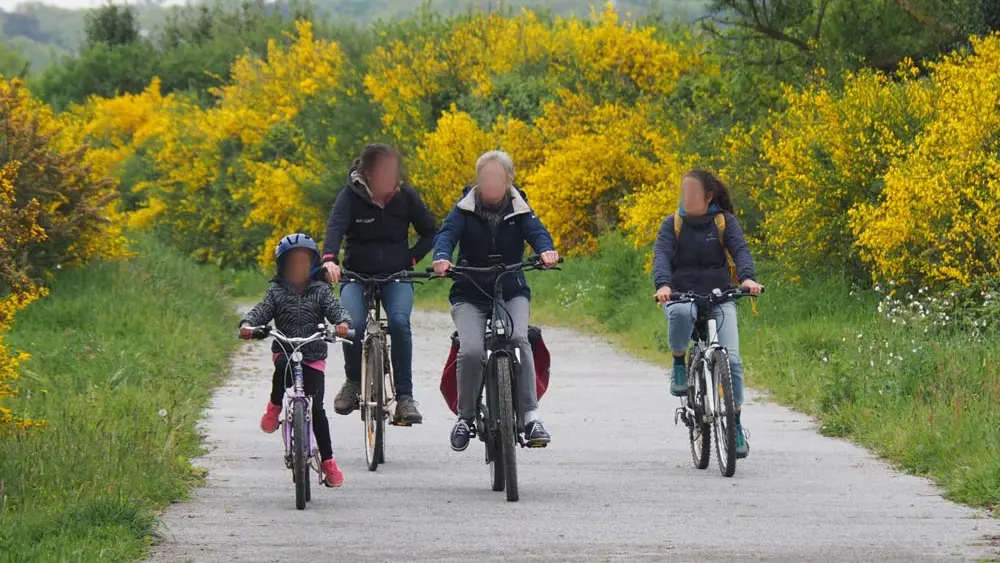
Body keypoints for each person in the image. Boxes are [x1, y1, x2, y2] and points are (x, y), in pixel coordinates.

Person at [432, 150, 559, 452]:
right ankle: (465, 417)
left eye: (496, 178)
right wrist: (441, 258)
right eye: (485, 177)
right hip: (469, 290)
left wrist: (547, 251)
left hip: (511, 287)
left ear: (507, 180)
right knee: (472, 350)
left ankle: (530, 417)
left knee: (518, 338)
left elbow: (537, 232)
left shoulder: (519, 207)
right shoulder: (464, 209)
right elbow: (447, 235)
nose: (490, 183)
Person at [321, 143, 437, 425]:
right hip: (356, 275)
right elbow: (335, 229)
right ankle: (352, 381)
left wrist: (411, 259)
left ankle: (405, 397)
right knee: (352, 325)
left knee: (399, 322)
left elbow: (430, 231)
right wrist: (329, 260)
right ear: (368, 172)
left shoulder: (405, 196)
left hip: (396, 274)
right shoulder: (350, 196)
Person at [652, 170, 763, 459]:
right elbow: (661, 255)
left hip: (719, 295)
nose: (685, 197)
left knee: (733, 362)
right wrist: (663, 285)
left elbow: (740, 251)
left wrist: (747, 279)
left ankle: (735, 423)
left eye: (692, 192)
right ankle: (679, 362)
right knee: (680, 314)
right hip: (682, 294)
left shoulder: (724, 222)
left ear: (708, 197)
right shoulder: (672, 224)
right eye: (683, 192)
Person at [239, 233, 353, 487]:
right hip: (285, 348)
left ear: (312, 264)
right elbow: (262, 310)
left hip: (313, 353)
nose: (297, 268)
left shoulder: (321, 290)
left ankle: (328, 463)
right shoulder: (276, 290)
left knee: (318, 409)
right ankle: (275, 406)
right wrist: (249, 324)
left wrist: (342, 324)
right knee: (282, 367)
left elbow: (337, 310)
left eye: (303, 262)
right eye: (292, 263)